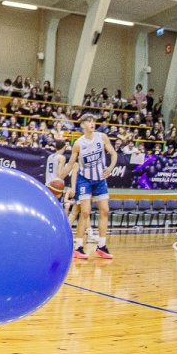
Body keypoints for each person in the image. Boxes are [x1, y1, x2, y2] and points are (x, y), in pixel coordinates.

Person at [61, 111, 117, 261]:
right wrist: (59, 178)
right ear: (83, 125)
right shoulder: (78, 143)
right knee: (85, 212)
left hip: (100, 179)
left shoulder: (102, 137)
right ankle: (78, 247)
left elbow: (114, 154)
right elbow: (70, 165)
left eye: (93, 121)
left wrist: (110, 168)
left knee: (105, 210)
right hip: (84, 179)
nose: (92, 123)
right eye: (89, 121)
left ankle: (102, 246)